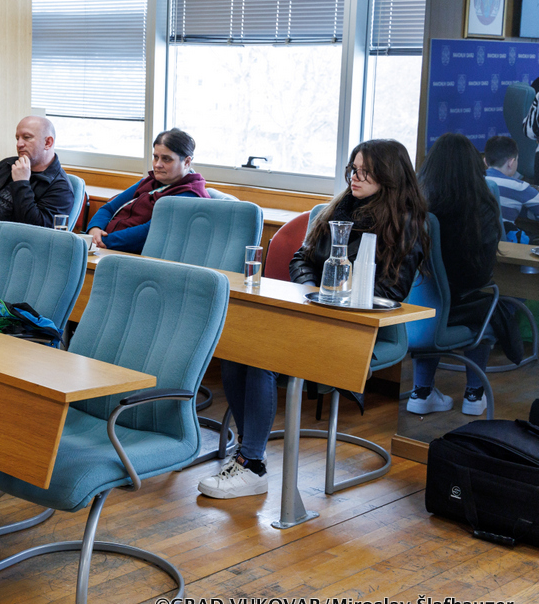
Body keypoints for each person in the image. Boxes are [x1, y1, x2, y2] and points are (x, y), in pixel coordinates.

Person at [199, 139, 428, 499]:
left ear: (389, 175)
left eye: (365, 172)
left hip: (356, 326)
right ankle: (248, 454)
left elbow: (390, 291)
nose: (355, 178)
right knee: (237, 349)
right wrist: (311, 289)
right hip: (310, 311)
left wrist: (333, 288)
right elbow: (300, 259)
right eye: (353, 169)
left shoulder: (405, 225)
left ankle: (251, 464)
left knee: (261, 358)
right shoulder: (339, 209)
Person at [409, 133, 503, 416]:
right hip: (450, 311)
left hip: (405, 316)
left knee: (433, 301)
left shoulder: (414, 207)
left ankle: (421, 392)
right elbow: (480, 276)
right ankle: (474, 395)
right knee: (489, 306)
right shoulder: (482, 208)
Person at [86, 128, 209, 254]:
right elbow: (109, 208)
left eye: (166, 159)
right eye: (156, 157)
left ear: (187, 162)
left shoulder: (189, 196)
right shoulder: (149, 181)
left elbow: (151, 232)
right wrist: (95, 229)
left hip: (131, 255)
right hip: (105, 246)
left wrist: (99, 242)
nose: (157, 165)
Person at [0, 116, 74, 228]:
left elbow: (37, 230)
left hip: (5, 241)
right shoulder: (7, 165)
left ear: (48, 143)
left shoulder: (61, 188)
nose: (19, 144)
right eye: (17, 138)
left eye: (27, 137)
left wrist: (21, 183)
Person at [484, 135, 539, 242]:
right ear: (511, 162)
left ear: (485, 161)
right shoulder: (519, 187)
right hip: (503, 246)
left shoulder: (474, 180)